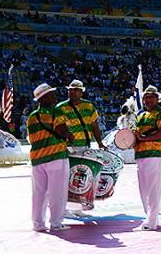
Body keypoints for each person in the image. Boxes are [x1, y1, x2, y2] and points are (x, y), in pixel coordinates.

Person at [27, 83, 73, 232]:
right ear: (44, 98)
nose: (54, 96)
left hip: (37, 159)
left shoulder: (31, 117)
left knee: (39, 193)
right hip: (56, 157)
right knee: (57, 192)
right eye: (51, 94)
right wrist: (70, 136)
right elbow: (61, 130)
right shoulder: (56, 111)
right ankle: (56, 224)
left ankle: (38, 224)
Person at [133, 85, 161, 230]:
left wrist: (142, 139)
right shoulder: (141, 115)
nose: (147, 100)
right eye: (145, 97)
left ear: (157, 99)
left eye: (150, 97)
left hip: (155, 154)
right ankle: (151, 219)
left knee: (152, 189)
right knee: (144, 189)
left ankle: (150, 222)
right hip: (141, 154)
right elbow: (138, 136)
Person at [55, 80, 104, 154]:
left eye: (76, 90)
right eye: (70, 89)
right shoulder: (60, 107)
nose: (72, 92)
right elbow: (57, 128)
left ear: (81, 92)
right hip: (67, 147)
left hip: (85, 146)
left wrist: (100, 143)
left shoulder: (89, 106)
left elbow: (94, 126)